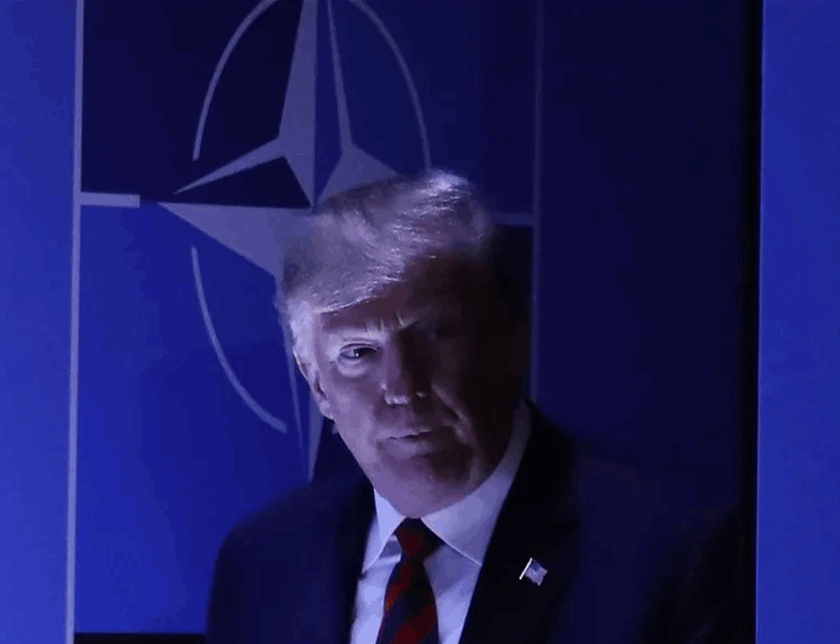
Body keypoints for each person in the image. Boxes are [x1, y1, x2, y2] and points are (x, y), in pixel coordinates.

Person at [204, 170, 747, 644]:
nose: (402, 386)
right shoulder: (263, 564)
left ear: (511, 339)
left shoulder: (671, 557)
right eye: (358, 353)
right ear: (316, 383)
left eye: (433, 334)